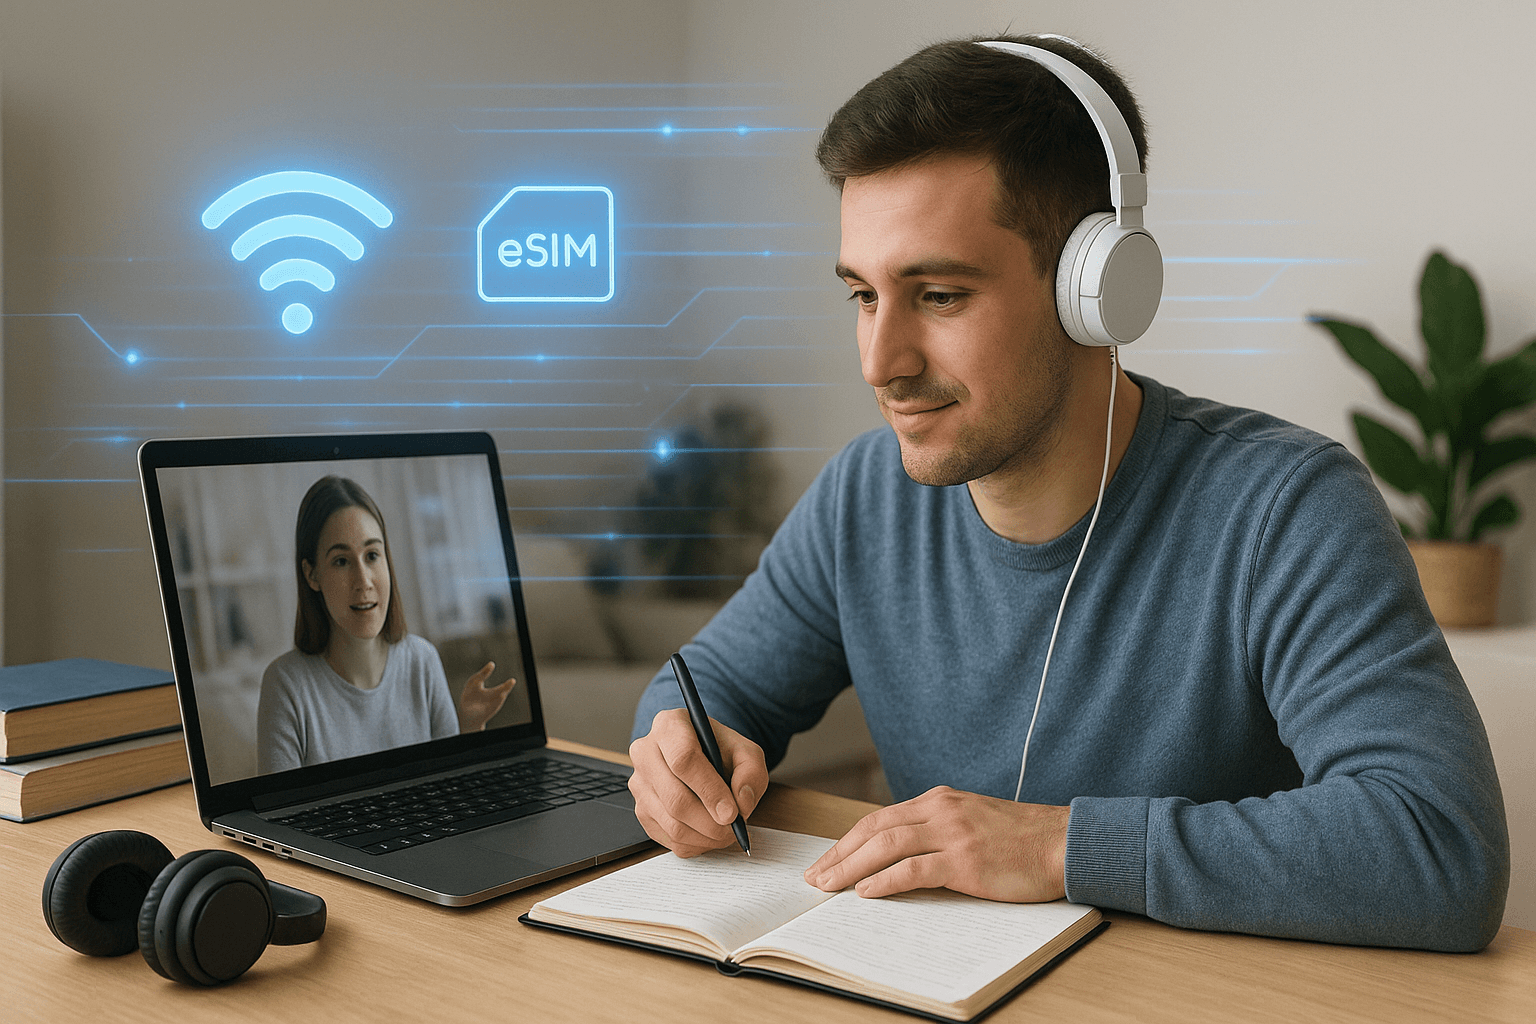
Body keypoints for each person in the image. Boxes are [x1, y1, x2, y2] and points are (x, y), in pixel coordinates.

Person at [627, 33, 1509, 951]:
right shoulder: (866, 495)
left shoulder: (1285, 510)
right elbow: (704, 687)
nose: (881, 362)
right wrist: (681, 751)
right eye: (863, 295)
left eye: (937, 296)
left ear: (1098, 290)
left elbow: (1440, 847)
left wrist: (1059, 846)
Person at [257, 475, 515, 773]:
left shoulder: (422, 660)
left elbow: (452, 790)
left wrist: (470, 730)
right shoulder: (285, 685)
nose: (363, 581)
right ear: (312, 574)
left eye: (372, 555)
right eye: (341, 561)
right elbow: (276, 815)